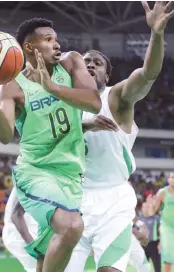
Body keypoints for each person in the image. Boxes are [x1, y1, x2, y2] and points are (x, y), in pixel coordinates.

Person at [0, 17, 101, 272]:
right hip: (36, 172)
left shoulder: (71, 62)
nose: (57, 44)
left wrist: (50, 86)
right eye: (48, 40)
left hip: (72, 176)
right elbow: (4, 135)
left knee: (46, 256)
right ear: (29, 48)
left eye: (56, 38)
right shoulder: (11, 86)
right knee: (72, 226)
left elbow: (93, 102)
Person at [66, 2, 173, 272]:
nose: (90, 64)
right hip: (71, 200)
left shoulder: (116, 98)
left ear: (107, 73)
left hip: (112, 200)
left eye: (97, 63)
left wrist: (156, 34)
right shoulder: (62, 106)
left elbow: (148, 74)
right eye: (84, 62)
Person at [142, 172, 174, 272]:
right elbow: (151, 213)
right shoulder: (162, 193)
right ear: (169, 179)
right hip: (167, 228)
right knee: (168, 262)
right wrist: (150, 206)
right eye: (172, 177)